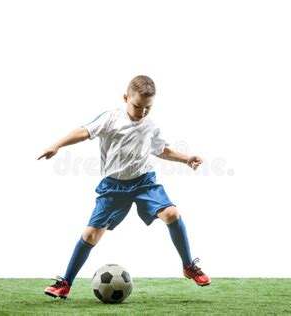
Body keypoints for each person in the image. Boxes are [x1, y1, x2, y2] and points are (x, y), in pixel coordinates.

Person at [38, 75, 210, 299]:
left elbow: (162, 150)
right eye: (137, 106)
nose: (142, 112)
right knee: (91, 235)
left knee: (171, 213)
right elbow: (84, 131)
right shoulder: (111, 119)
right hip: (114, 187)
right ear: (126, 98)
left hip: (144, 183)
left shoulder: (150, 125)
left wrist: (186, 159)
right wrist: (56, 145)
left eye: (148, 108)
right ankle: (65, 283)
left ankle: (188, 265)